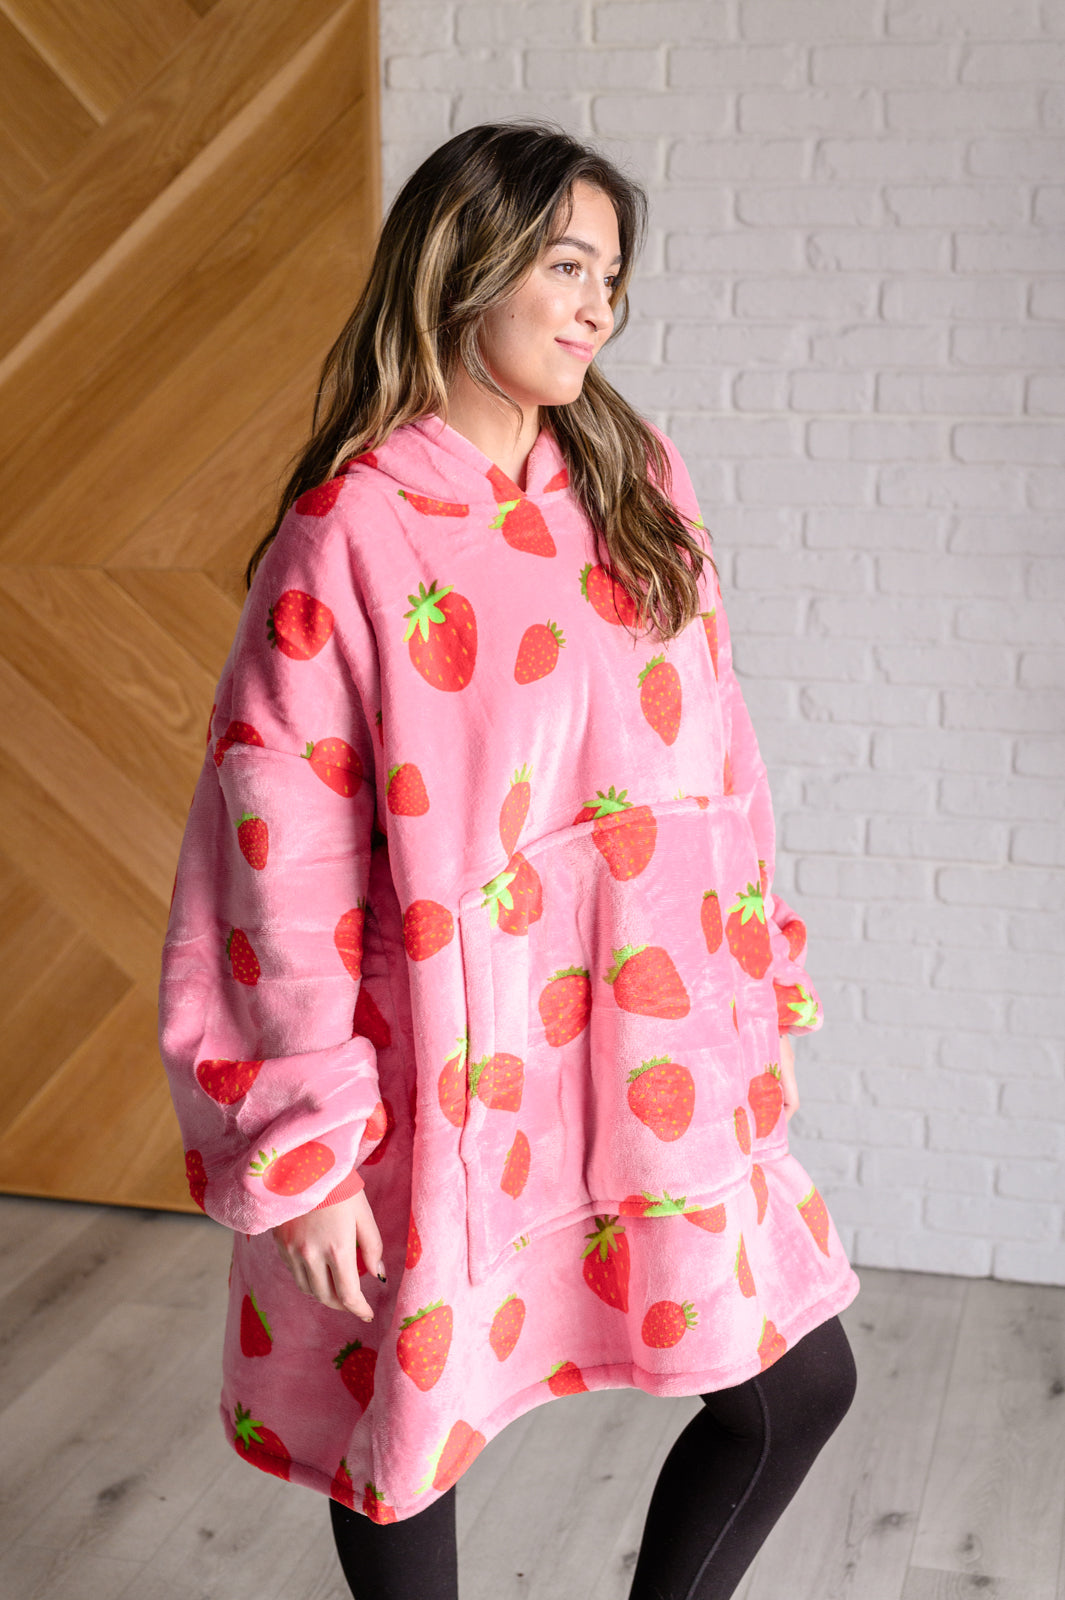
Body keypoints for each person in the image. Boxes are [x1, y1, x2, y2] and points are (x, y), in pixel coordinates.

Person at [158, 120, 860, 1600]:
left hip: (653, 1035)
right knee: (409, 1431)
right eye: (565, 265)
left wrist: (759, 995)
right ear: (461, 262)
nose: (598, 304)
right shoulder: (348, 535)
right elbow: (275, 863)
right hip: (439, 1070)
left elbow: (719, 767)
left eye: (611, 275)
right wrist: (306, 1145)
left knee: (798, 1384)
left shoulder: (634, 475)